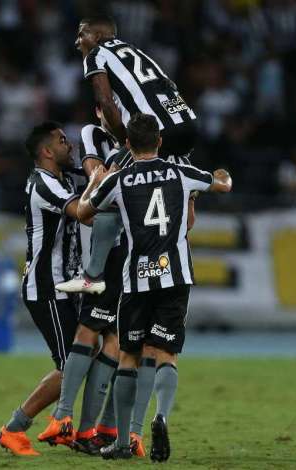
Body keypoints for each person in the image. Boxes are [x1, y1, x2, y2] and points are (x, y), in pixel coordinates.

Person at [77, 113, 233, 461]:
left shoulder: (119, 179)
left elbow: (84, 212)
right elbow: (222, 185)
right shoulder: (181, 173)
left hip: (136, 281)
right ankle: (160, 415)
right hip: (175, 278)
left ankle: (121, 443)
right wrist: (222, 175)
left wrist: (96, 181)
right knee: (166, 355)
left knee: (128, 355)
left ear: (128, 144)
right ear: (160, 141)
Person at [57, 14, 198, 295]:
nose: (77, 42)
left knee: (108, 192)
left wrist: (128, 143)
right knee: (165, 195)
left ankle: (92, 277)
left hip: (157, 131)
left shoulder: (96, 54)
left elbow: (106, 102)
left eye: (81, 34)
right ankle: (187, 196)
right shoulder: (136, 50)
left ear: (96, 37)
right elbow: (169, 86)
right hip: (187, 125)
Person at [37, 109, 146, 457]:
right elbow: (98, 182)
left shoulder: (143, 140)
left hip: (134, 253)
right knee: (93, 333)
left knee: (120, 342)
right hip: (107, 252)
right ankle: (65, 418)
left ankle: (96, 429)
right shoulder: (96, 136)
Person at [0, 121, 92, 456]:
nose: (71, 145)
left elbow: (100, 169)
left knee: (86, 357)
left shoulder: (64, 176)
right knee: (72, 365)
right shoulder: (44, 184)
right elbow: (84, 212)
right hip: (48, 288)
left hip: (70, 285)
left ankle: (72, 427)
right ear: (47, 151)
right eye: (64, 141)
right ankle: (14, 428)